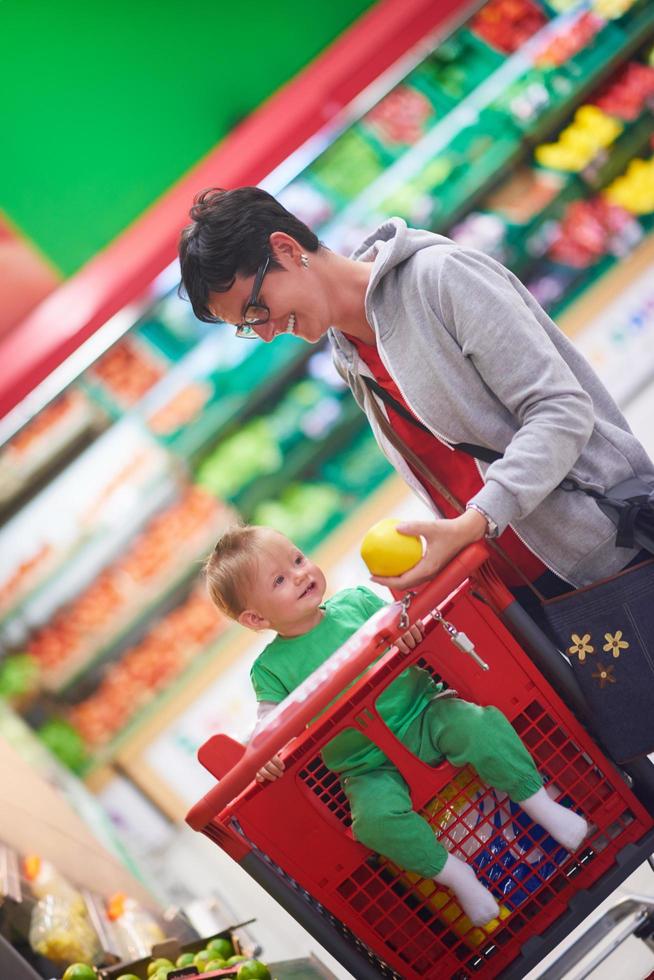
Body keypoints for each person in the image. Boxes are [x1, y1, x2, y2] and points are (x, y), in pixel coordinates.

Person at [178, 187, 654, 619]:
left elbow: (560, 411)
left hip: (608, 551)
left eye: (255, 308)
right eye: (246, 326)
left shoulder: (441, 278)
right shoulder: (349, 355)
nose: (263, 333)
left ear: (286, 249)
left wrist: (478, 519)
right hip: (527, 590)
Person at [204, 523, 589, 927]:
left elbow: (404, 620)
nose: (301, 574)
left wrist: (407, 632)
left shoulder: (355, 602)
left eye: (298, 559)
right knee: (372, 824)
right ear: (255, 617)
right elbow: (269, 722)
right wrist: (262, 753)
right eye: (280, 579)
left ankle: (543, 806)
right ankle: (458, 876)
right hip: (367, 767)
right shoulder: (269, 669)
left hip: (424, 712)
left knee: (481, 726)